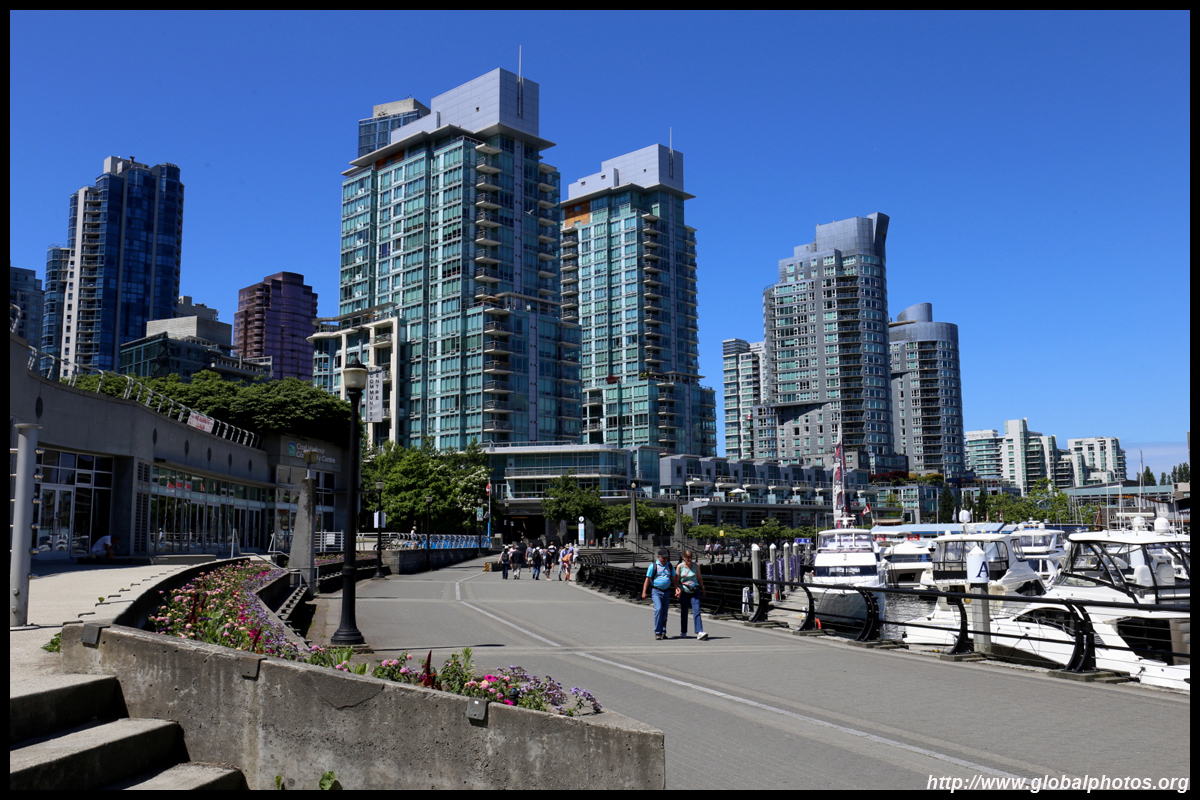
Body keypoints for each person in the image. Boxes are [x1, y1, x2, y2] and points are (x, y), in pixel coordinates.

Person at [641, 549, 679, 640]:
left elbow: (674, 578)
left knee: (664, 612)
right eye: (663, 558)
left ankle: (663, 631)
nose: (665, 559)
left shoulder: (669, 566)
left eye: (666, 558)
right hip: (656, 591)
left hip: (666, 591)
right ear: (659, 557)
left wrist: (677, 588)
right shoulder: (653, 566)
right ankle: (658, 632)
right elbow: (647, 579)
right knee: (658, 609)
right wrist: (644, 592)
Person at [676, 550, 708, 640]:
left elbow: (699, 578)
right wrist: (677, 589)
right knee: (684, 611)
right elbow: (676, 580)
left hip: (695, 591)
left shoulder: (696, 565)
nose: (689, 560)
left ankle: (699, 631)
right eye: (687, 558)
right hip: (684, 591)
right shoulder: (680, 566)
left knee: (696, 610)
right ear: (684, 558)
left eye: (691, 558)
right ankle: (683, 631)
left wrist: (703, 589)